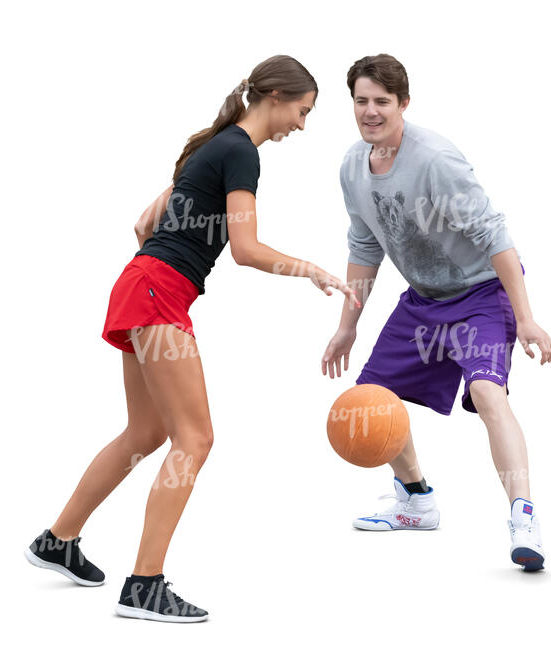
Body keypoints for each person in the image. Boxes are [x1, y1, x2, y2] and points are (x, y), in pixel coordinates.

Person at [25, 54, 360, 623]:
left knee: (147, 430)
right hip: (157, 293)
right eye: (302, 112)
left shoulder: (208, 146)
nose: (301, 126)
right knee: (195, 439)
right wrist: (313, 270)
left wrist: (160, 274)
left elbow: (142, 225)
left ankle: (59, 539)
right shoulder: (240, 153)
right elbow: (247, 250)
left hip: (142, 287)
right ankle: (145, 585)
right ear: (275, 96)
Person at [321, 54, 551, 572]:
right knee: (370, 401)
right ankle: (416, 500)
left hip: (480, 295)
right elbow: (364, 246)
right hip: (425, 302)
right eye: (361, 101)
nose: (371, 111)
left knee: (486, 391)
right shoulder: (352, 167)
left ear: (403, 103)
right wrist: (346, 327)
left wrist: (529, 318)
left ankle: (524, 516)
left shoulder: (435, 160)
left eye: (382, 101)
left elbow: (496, 236)